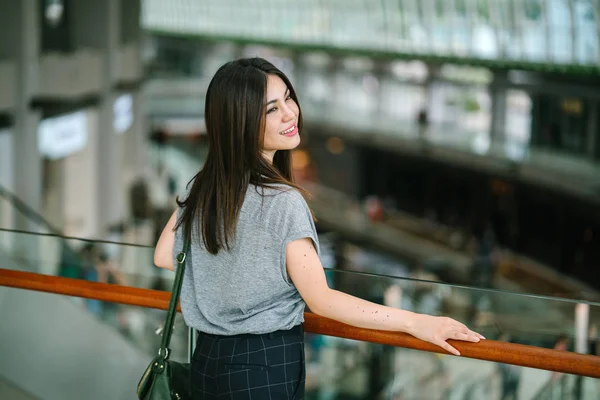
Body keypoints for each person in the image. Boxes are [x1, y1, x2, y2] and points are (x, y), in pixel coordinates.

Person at [154, 58, 484, 400]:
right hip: (262, 368)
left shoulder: (202, 186)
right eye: (271, 109)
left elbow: (165, 256)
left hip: (207, 362)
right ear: (240, 122)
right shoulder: (283, 202)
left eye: (288, 98)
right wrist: (418, 322)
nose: (289, 113)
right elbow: (322, 300)